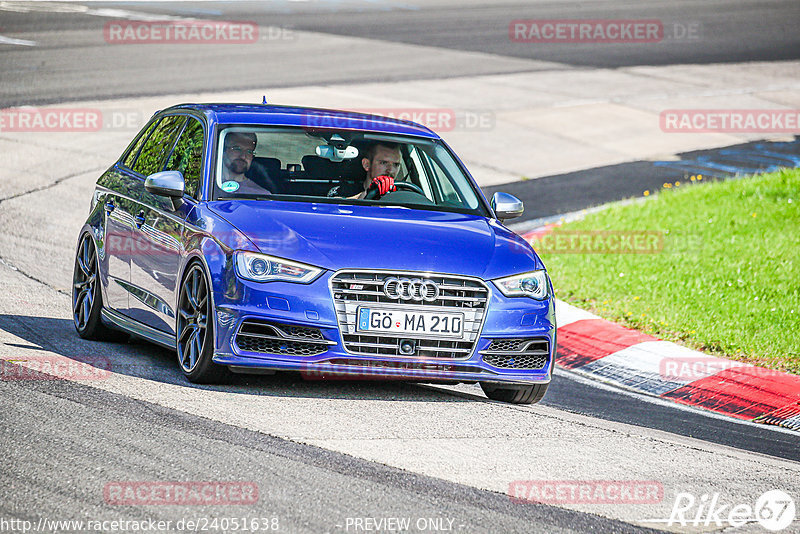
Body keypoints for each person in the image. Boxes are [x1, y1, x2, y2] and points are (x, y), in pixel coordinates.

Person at [328, 142, 402, 199]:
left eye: (396, 165)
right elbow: (335, 210)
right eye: (383, 163)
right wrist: (367, 194)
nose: (390, 170)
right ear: (366, 164)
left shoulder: (402, 194)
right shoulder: (344, 190)